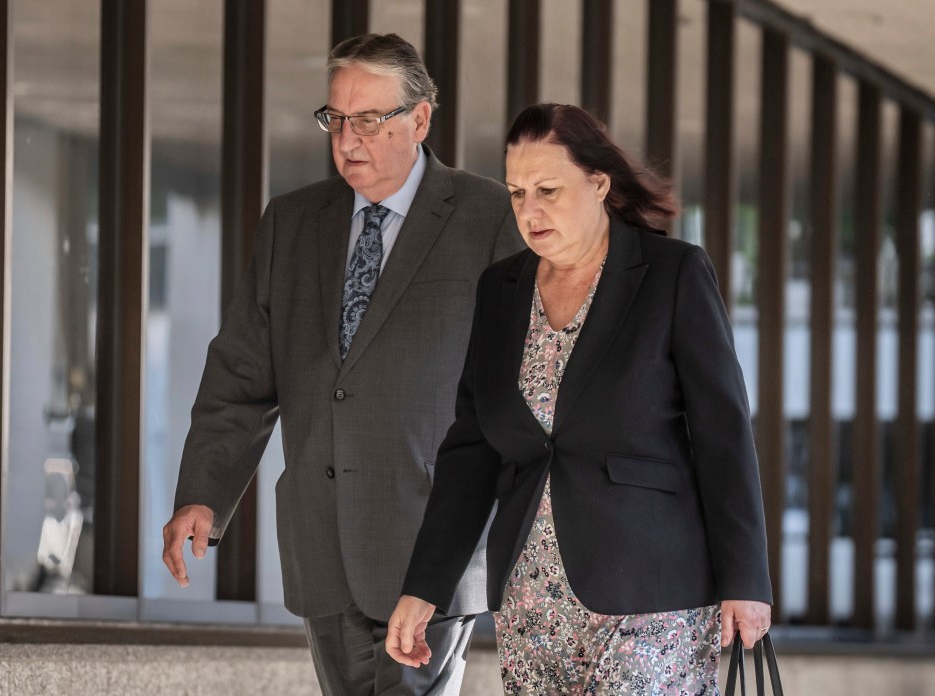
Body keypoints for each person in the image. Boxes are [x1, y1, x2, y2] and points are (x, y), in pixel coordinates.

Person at [161, 33, 523, 695]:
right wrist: (204, 494)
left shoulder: (490, 217)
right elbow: (243, 372)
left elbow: (522, 381)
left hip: (436, 537)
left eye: (369, 120)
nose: (348, 139)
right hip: (323, 539)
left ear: (419, 118)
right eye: (336, 119)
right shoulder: (293, 223)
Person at [387, 103, 774, 693]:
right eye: (517, 193)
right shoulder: (501, 289)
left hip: (653, 594)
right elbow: (471, 451)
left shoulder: (673, 273)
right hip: (531, 598)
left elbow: (724, 436)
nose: (529, 210)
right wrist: (424, 588)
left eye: (547, 189)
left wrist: (746, 579)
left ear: (598, 183)